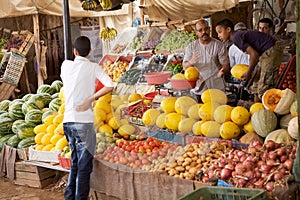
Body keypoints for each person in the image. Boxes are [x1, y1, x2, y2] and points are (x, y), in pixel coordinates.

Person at [60, 36, 114, 200]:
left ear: (74, 51)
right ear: (90, 51)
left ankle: (70, 196)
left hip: (68, 122)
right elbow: (110, 85)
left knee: (75, 162)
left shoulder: (65, 65)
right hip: (83, 123)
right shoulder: (93, 67)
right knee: (84, 167)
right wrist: (90, 99)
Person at [216, 18, 283, 102]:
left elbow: (254, 55)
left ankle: (266, 111)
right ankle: (255, 108)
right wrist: (250, 72)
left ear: (228, 29)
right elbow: (255, 55)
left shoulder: (236, 37)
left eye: (220, 32)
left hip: (272, 49)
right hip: (265, 52)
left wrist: (248, 72)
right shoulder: (236, 38)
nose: (218, 36)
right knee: (255, 84)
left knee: (265, 86)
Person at [182, 19, 230, 102]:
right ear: (196, 32)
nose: (204, 32)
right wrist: (191, 62)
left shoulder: (219, 46)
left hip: (215, 87)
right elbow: (184, 66)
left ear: (209, 29)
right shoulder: (191, 47)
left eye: (206, 29)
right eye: (200, 30)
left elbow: (225, 66)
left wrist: (222, 72)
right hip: (198, 89)